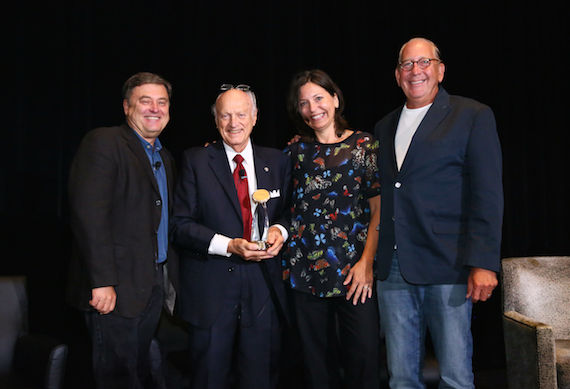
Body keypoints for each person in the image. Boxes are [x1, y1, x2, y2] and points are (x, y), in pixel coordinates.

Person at [374, 37, 504, 388]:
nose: (415, 71)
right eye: (406, 64)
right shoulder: (384, 127)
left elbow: (488, 195)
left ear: (440, 70)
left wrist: (485, 262)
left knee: (455, 375)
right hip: (394, 269)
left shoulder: (472, 115)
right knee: (401, 377)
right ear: (397, 74)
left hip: (449, 263)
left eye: (424, 62)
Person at [170, 84, 292, 389]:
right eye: (225, 115)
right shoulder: (196, 161)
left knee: (261, 376)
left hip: (264, 284)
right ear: (215, 121)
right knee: (209, 376)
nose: (233, 122)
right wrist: (229, 245)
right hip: (211, 285)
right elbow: (179, 225)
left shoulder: (278, 161)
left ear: (255, 117)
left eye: (241, 114)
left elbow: (290, 212)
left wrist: (280, 230)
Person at [67, 72, 179, 388]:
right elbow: (89, 216)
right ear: (127, 107)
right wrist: (102, 281)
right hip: (114, 289)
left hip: (151, 284)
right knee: (117, 377)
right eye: (146, 101)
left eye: (162, 102)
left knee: (138, 372)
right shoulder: (104, 141)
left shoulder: (164, 157)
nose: (155, 109)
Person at [283, 69, 381, 389]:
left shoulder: (364, 145)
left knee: (363, 358)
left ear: (335, 99)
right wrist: (217, 149)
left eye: (319, 98)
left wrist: (366, 263)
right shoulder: (296, 153)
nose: (313, 108)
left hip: (355, 272)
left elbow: (380, 209)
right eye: (304, 103)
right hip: (305, 272)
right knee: (315, 365)